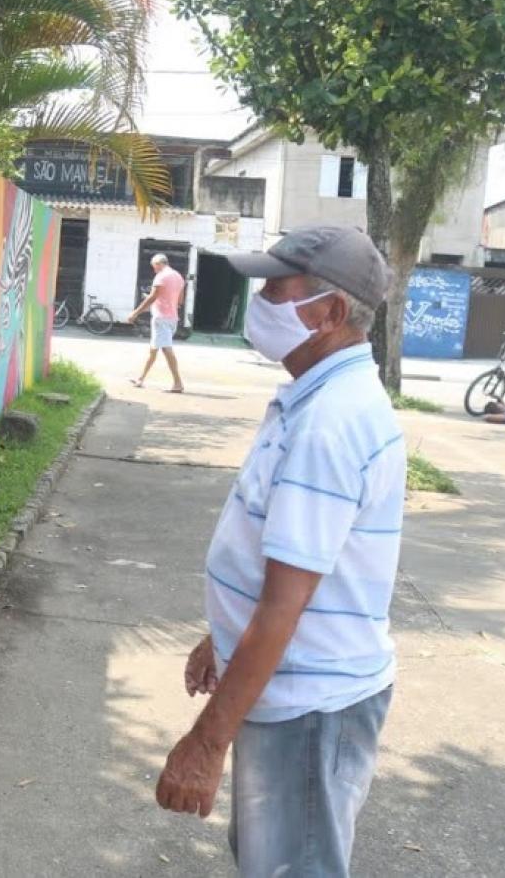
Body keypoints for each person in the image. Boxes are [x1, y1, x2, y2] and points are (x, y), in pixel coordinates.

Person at [156, 226, 404, 878]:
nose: (260, 298)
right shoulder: (313, 394)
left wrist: (206, 742)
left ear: (330, 312)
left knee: (291, 867)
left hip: (310, 705)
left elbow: (284, 604)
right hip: (294, 690)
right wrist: (226, 637)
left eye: (277, 287)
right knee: (273, 860)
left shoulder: (331, 422)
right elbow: (287, 565)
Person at [128, 254, 186, 393]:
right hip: (172, 318)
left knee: (166, 349)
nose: (154, 270)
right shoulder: (178, 276)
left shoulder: (161, 276)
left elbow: (152, 297)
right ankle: (140, 379)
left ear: (159, 264)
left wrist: (135, 313)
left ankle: (178, 383)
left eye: (154, 267)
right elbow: (180, 301)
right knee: (153, 350)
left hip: (161, 318)